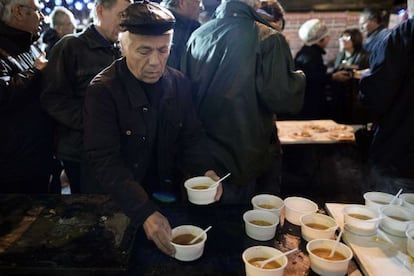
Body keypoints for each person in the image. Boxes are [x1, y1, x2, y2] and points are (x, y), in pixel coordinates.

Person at [83, 1, 222, 256]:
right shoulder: (102, 90)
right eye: (144, 51)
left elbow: (192, 136)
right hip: (123, 202)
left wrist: (206, 170)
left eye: (163, 50)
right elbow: (105, 160)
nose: (155, 62)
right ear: (123, 46)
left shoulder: (178, 82)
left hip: (168, 195)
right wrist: (143, 211)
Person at [181, 0, 305, 202]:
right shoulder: (269, 38)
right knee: (250, 224)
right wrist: (297, 77)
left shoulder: (198, 35)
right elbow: (284, 100)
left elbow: (184, 96)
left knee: (208, 224)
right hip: (247, 156)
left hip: (203, 157)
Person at [40, 0, 132, 193]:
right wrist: (95, 121)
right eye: (122, 14)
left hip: (115, 150)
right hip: (80, 153)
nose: (126, 22)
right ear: (100, 11)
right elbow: (53, 98)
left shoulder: (123, 50)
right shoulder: (70, 46)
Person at [359, 0, 414, 193]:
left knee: (388, 218)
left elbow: (375, 99)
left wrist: (365, 81)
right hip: (401, 154)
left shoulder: (400, 39)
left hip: (399, 157)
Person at [0, 0, 55, 192]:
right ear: (18, 12)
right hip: (12, 165)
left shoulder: (30, 45)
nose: (42, 17)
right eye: (37, 11)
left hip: (38, 157)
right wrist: (35, 71)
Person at [294, 18, 351, 120]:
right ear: (321, 39)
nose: (329, 38)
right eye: (327, 36)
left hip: (303, 100)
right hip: (312, 102)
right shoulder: (312, 55)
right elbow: (312, 78)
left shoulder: (305, 51)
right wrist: (333, 77)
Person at [331, 28, 370, 123]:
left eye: (347, 37)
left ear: (355, 39)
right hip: (340, 95)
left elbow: (367, 73)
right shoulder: (341, 55)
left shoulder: (364, 56)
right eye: (342, 37)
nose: (343, 40)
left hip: (355, 96)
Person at [160, 0, 202, 69]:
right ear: (182, 3)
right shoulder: (177, 30)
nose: (202, 7)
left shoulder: (161, 23)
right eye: (198, 2)